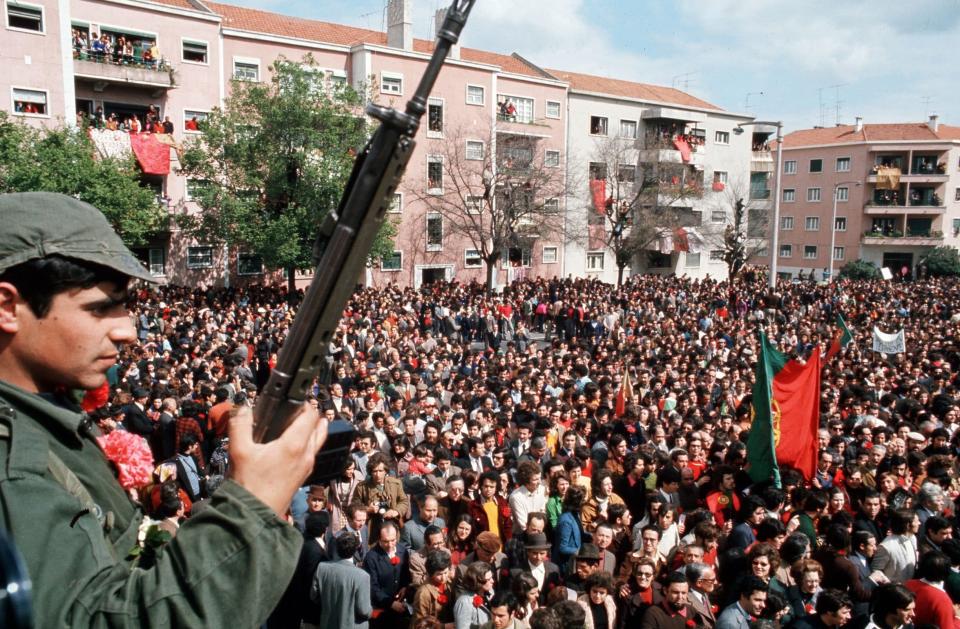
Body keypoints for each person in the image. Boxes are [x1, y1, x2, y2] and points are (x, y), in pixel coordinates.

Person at [0, 192, 329, 627]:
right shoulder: (14, 467)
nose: (128, 329)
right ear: (8, 307)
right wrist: (254, 504)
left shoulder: (48, 421)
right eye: (101, 307)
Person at [308, 532, 372, 629]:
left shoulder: (322, 568)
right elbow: (364, 611)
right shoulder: (362, 576)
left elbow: (314, 596)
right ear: (355, 550)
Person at [454, 561, 495, 629]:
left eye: (492, 577)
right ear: (478, 581)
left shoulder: (490, 593)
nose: (492, 581)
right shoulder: (464, 603)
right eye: (488, 579)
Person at [787, 589, 852, 629]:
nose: (849, 617)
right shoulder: (802, 627)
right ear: (830, 612)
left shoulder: (835, 623)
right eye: (845, 613)